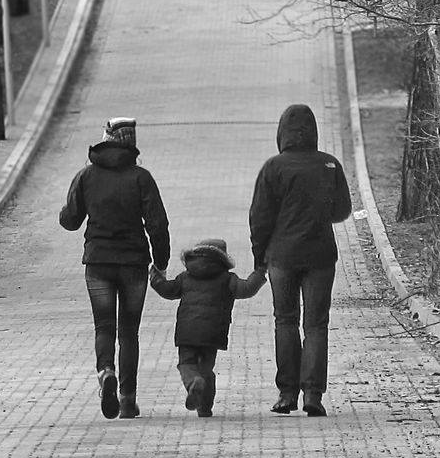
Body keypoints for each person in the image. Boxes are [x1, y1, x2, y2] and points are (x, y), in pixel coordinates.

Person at [59, 117, 170, 419]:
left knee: (104, 326)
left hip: (98, 263)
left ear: (106, 138)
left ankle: (105, 370)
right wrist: (160, 262)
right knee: (129, 332)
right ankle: (127, 399)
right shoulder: (141, 178)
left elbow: (71, 220)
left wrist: (67, 209)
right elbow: (158, 225)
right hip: (134, 264)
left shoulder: (87, 176)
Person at [248, 103, 352, 417]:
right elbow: (342, 210)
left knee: (285, 320)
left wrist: (259, 258)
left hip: (282, 256)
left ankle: (286, 392)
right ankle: (313, 395)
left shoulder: (273, 168)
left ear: (281, 133)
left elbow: (260, 218)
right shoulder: (329, 165)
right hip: (320, 254)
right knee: (317, 324)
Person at [150, 239, 266, 418]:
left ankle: (193, 383)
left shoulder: (185, 277)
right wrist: (260, 272)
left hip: (187, 332)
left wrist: (155, 277)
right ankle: (204, 407)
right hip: (213, 333)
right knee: (205, 369)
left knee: (187, 364)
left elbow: (167, 290)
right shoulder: (228, 278)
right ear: (223, 259)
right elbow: (247, 288)